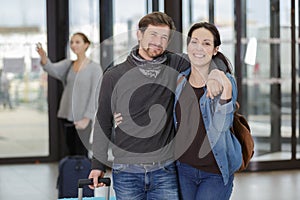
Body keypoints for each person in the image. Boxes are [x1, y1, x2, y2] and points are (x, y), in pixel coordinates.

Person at [89, 12, 225, 199]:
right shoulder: (114, 75)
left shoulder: (175, 64)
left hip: (165, 171)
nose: (158, 42)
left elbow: (209, 58)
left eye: (164, 37)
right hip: (126, 171)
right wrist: (97, 165)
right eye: (153, 35)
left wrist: (216, 75)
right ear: (139, 34)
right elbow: (102, 120)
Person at [174, 22, 242, 200]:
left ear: (215, 50)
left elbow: (223, 124)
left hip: (215, 172)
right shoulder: (180, 81)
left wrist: (219, 77)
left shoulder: (225, 81)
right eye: (194, 41)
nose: (198, 48)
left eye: (206, 43)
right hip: (183, 169)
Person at [36, 32, 102, 156]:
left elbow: (96, 94)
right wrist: (44, 57)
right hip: (66, 115)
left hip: (83, 118)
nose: (73, 45)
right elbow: (51, 69)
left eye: (77, 42)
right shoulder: (68, 65)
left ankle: (82, 176)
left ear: (86, 45)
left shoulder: (95, 68)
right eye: (72, 42)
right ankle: (70, 176)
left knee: (81, 153)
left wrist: (87, 118)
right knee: (69, 152)